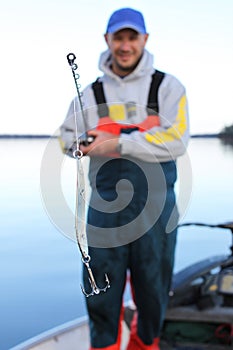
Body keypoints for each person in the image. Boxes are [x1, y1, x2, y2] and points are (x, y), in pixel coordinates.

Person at [60, 7, 189, 350]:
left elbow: (177, 140)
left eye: (132, 37)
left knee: (153, 290)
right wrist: (84, 144)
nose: (126, 45)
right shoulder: (90, 94)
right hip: (105, 211)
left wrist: (116, 141)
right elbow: (65, 139)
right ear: (108, 40)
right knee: (100, 293)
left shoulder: (168, 87)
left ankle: (147, 344)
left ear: (144, 39)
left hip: (157, 211)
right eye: (119, 37)